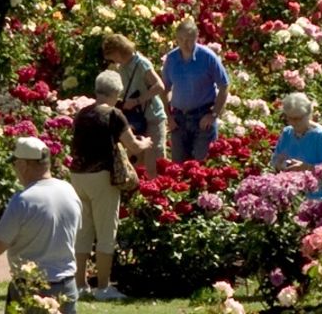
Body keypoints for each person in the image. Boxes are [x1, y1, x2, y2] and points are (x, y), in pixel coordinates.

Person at [69, 70, 153, 300]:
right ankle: (104, 287)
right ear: (116, 92)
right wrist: (145, 143)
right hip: (102, 176)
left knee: (83, 230)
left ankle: (80, 284)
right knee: (106, 231)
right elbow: (133, 146)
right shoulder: (114, 115)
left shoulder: (82, 114)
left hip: (78, 176)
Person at [0, 137, 83, 314]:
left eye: (15, 164)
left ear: (24, 165)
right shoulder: (68, 190)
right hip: (67, 285)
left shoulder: (23, 200)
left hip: (31, 289)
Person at [161, 18, 230, 162]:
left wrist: (214, 114)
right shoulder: (172, 59)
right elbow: (164, 89)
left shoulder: (208, 57)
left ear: (196, 38)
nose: (185, 44)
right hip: (179, 118)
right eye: (181, 39)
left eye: (189, 40)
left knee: (201, 165)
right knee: (178, 166)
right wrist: (169, 116)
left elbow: (224, 85)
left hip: (202, 117)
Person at [103, 33, 168, 178]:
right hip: (134, 119)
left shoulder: (141, 63)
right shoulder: (121, 67)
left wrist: (137, 101)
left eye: (113, 56)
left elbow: (159, 86)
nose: (112, 60)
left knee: (154, 162)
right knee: (135, 161)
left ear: (120, 51)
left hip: (152, 117)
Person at [270, 92, 322, 173]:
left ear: (308, 115)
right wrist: (278, 164)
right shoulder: (287, 132)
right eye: (290, 118)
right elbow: (275, 159)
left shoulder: (320, 135)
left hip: (313, 184)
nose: (293, 122)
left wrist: (306, 167)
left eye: (298, 118)